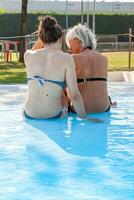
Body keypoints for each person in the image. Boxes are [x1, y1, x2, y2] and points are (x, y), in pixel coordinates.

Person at [24, 16, 87, 119]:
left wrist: (43, 34)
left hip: (29, 114)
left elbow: (35, 49)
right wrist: (85, 118)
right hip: (53, 116)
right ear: (60, 38)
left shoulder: (28, 55)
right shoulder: (67, 59)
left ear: (41, 37)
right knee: (64, 100)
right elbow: (74, 95)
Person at [65, 24, 116, 113]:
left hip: (81, 109)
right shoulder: (104, 58)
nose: (69, 47)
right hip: (104, 108)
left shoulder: (73, 58)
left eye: (69, 42)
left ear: (77, 39)